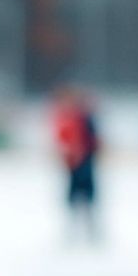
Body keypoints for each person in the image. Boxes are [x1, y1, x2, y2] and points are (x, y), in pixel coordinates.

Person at [51, 85, 101, 244]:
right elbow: (62, 140)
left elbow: (94, 141)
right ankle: (74, 231)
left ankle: (90, 232)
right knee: (74, 198)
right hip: (74, 165)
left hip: (85, 163)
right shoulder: (67, 118)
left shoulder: (85, 118)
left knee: (87, 198)